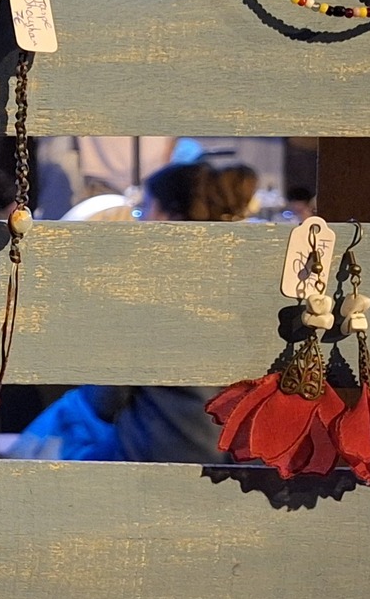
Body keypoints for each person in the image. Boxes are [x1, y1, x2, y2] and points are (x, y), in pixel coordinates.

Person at [15, 160, 259, 464]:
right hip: (247, 461)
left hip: (167, 456)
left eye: (143, 210)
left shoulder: (154, 289)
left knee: (46, 444)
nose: (137, 223)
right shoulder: (241, 277)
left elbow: (105, 402)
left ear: (168, 217)